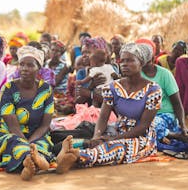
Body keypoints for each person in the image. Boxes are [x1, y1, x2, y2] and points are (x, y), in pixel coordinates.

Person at [55, 43, 162, 173]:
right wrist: (96, 137)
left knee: (117, 148)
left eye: (130, 60)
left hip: (141, 138)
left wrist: (113, 139)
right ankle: (67, 151)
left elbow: (143, 126)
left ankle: (77, 156)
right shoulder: (113, 87)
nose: (124, 64)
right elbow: (103, 117)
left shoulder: (153, 90)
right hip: (116, 130)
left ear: (141, 63)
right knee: (91, 137)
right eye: (122, 61)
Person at [0, 46, 55, 181]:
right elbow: (12, 126)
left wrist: (31, 142)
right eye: (21, 64)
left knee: (42, 144)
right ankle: (31, 160)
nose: (24, 68)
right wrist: (27, 145)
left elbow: (45, 125)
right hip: (9, 132)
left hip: (36, 133)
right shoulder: (8, 88)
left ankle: (29, 162)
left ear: (39, 68)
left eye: (30, 65)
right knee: (15, 144)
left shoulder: (46, 89)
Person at [137, 39, 188, 142]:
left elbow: (177, 103)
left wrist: (183, 126)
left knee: (150, 125)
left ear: (152, 55)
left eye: (145, 53)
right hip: (143, 116)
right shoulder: (135, 75)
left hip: (164, 114)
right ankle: (168, 135)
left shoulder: (165, 74)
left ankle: (174, 135)